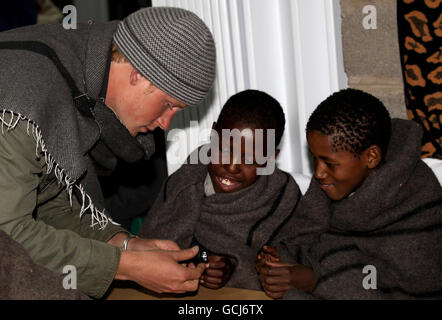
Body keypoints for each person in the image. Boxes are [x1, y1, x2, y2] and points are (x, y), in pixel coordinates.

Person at [0, 7, 216, 299]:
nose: (165, 123)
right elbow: (8, 236)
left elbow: (49, 202)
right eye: (168, 105)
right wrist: (125, 266)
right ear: (138, 74)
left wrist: (123, 244)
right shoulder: (26, 95)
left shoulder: (74, 75)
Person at [257, 88, 442, 299]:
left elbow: (401, 289)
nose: (318, 173)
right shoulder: (331, 186)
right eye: (315, 158)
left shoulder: (414, 203)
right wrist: (277, 262)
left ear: (371, 157)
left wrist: (314, 280)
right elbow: (302, 237)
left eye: (329, 163)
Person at [139, 89, 301, 290]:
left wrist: (241, 268)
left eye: (249, 159)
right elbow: (154, 252)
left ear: (269, 158)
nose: (232, 167)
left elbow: (294, 265)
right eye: (224, 150)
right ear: (214, 135)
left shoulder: (282, 197)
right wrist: (205, 261)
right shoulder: (186, 182)